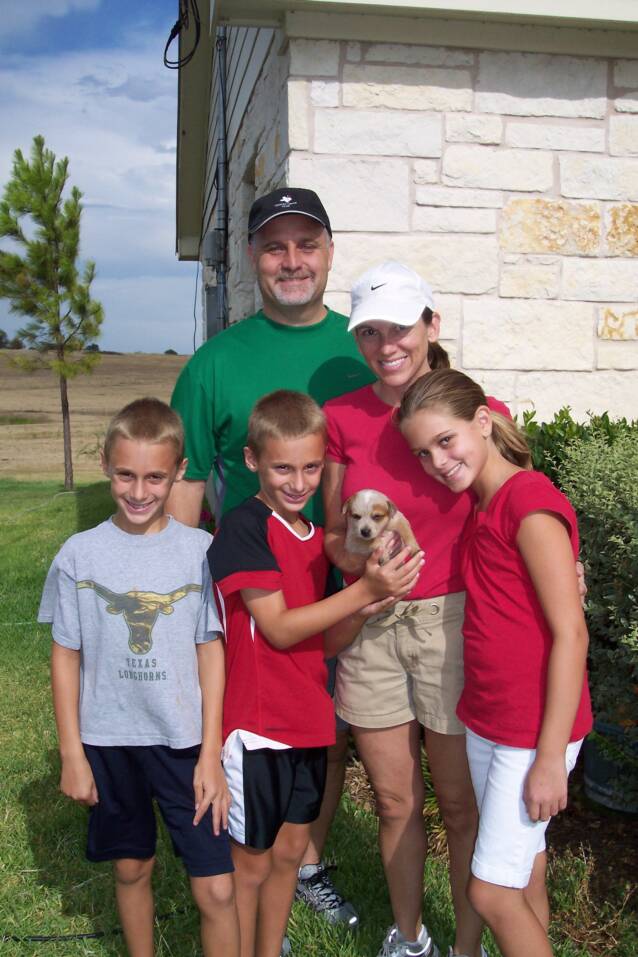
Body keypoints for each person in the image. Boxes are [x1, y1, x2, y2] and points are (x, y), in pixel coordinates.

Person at [169, 187, 374, 927]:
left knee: (327, 729)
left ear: (328, 251)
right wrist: (181, 606)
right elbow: (190, 481)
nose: (292, 260)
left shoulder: (368, 348)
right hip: (261, 593)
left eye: (306, 244)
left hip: (347, 578)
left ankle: (307, 859)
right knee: (264, 729)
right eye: (275, 245)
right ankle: (258, 865)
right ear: (254, 256)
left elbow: (444, 429)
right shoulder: (215, 363)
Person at [322, 261, 511, 957]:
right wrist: (368, 568)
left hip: (455, 627)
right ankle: (409, 936)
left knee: (461, 806)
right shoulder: (342, 416)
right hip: (372, 625)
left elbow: (519, 507)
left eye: (398, 327)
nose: (384, 344)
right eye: (369, 332)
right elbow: (338, 539)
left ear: (432, 325)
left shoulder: (478, 408)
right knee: (396, 801)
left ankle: (467, 945)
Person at [207, 390, 424, 957]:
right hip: (258, 727)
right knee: (250, 866)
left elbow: (322, 640)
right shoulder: (244, 527)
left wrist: (364, 608)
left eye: (310, 467)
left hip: (308, 721)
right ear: (252, 461)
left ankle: (269, 947)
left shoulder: (311, 538)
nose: (298, 482)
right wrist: (365, 589)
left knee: (287, 855)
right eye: (282, 467)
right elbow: (278, 628)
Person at [397, 369, 592, 957]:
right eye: (423, 452)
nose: (436, 461)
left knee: (488, 892)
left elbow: (572, 633)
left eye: (446, 441)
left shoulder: (529, 503)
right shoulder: (486, 503)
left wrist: (551, 758)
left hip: (531, 731)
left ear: (483, 422)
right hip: (489, 719)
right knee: (521, 871)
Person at [39, 398, 239, 957]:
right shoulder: (80, 556)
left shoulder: (202, 552)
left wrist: (210, 752)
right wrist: (72, 753)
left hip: (185, 744)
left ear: (180, 472)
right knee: (131, 868)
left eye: (155, 476)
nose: (139, 491)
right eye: (125, 474)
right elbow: (65, 655)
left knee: (217, 887)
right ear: (105, 462)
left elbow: (210, 651)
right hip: (108, 742)